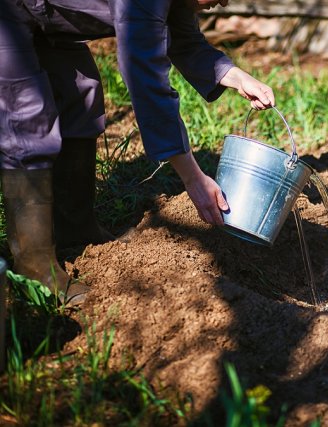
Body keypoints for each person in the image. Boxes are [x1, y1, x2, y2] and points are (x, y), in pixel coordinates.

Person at [0, 0, 275, 306]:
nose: (224, 2)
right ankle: (34, 269)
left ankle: (76, 229)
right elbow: (145, 78)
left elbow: (185, 42)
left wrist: (236, 76)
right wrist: (193, 177)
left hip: (46, 19)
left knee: (80, 94)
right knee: (26, 116)